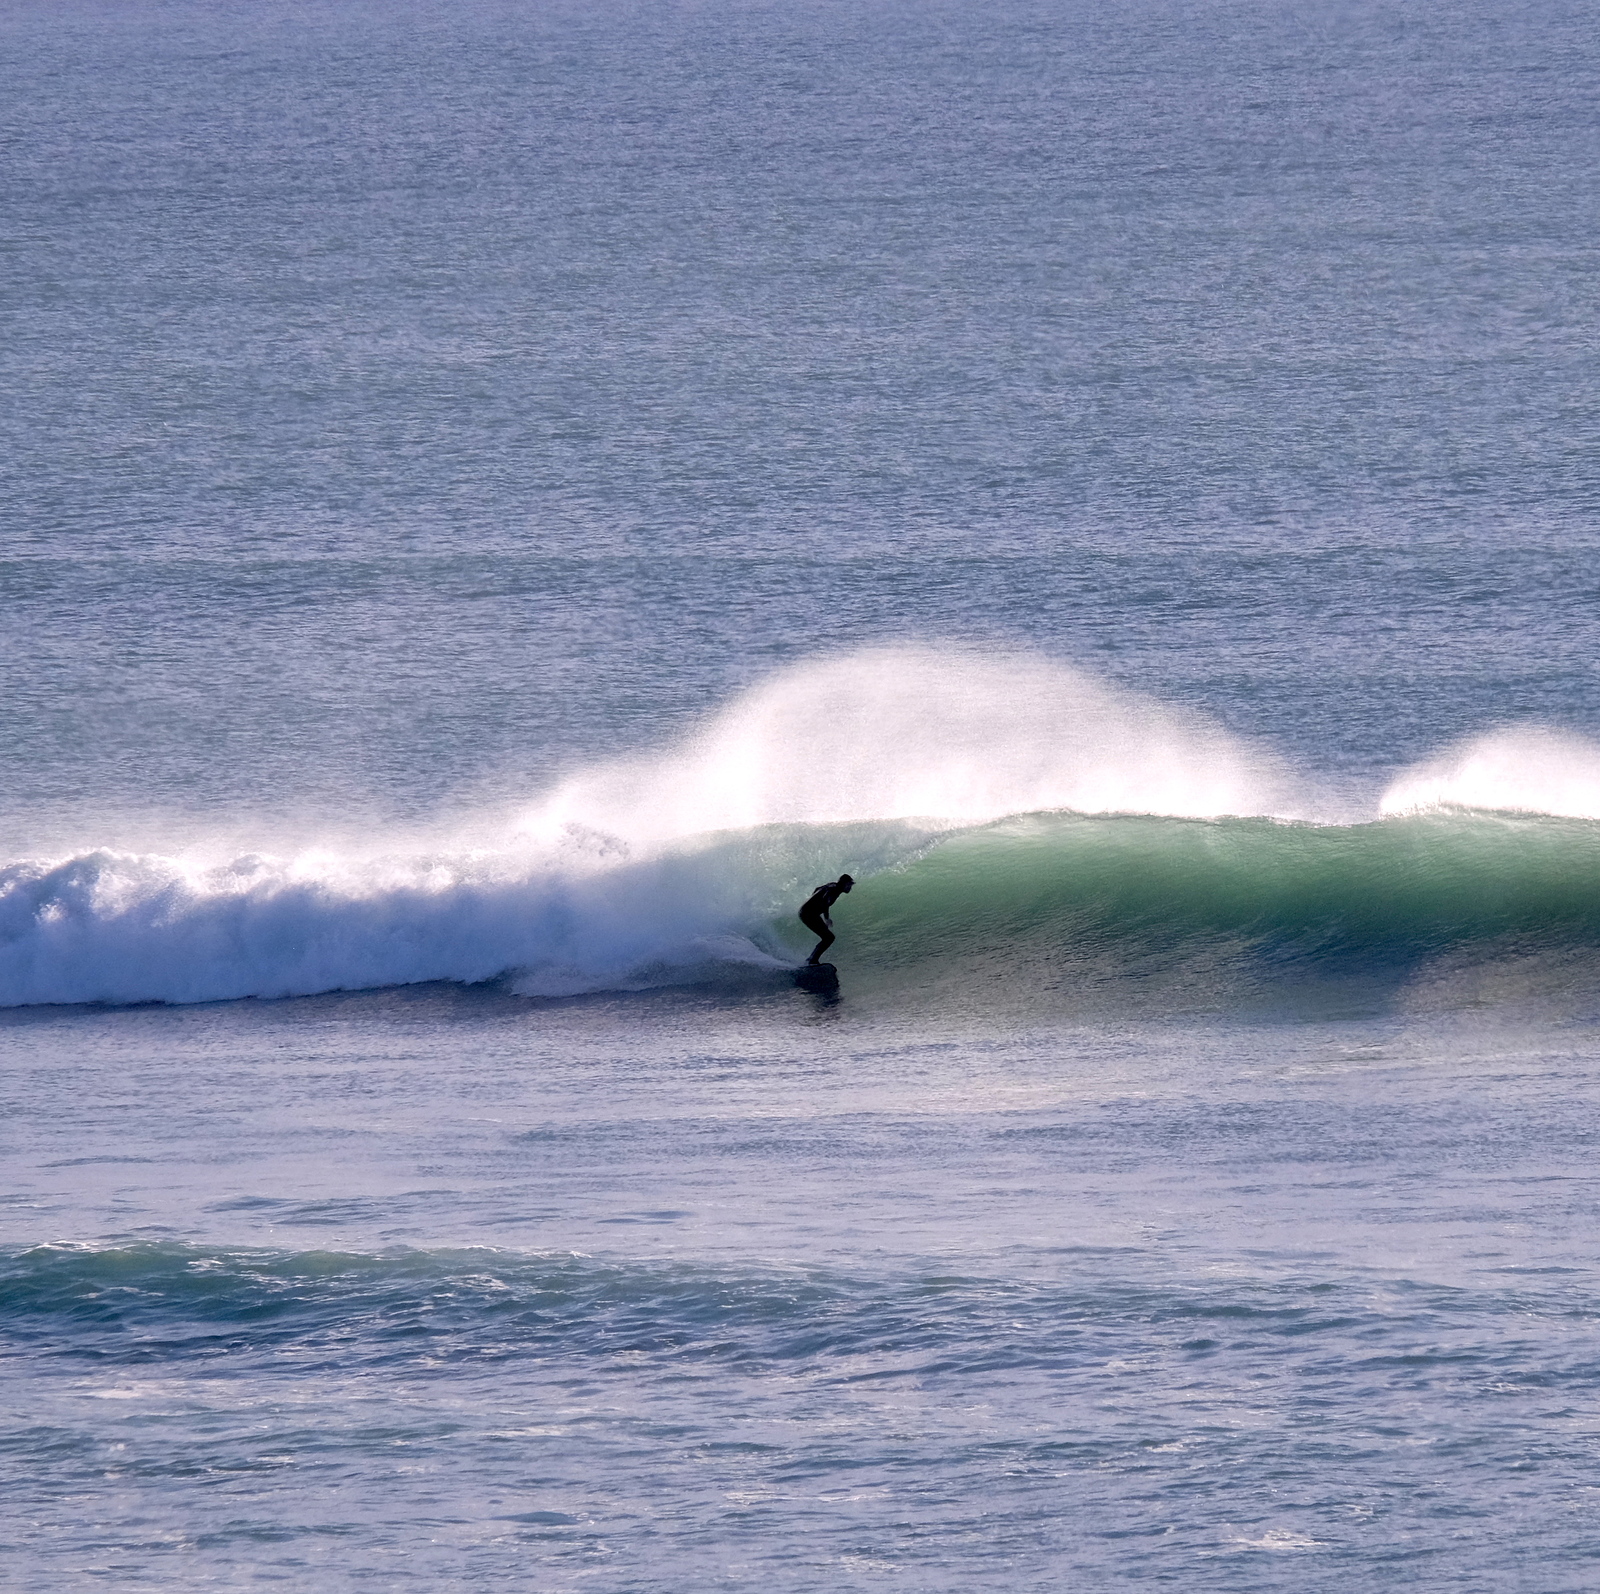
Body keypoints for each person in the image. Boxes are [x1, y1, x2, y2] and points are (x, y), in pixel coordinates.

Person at [798, 874, 854, 965]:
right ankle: (812, 960)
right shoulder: (834, 889)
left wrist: (814, 901)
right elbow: (825, 901)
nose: (850, 888)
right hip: (808, 914)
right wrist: (827, 918)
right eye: (849, 885)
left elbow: (817, 889)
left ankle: (812, 959)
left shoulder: (832, 885)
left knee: (827, 937)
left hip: (808, 913)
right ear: (844, 883)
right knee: (829, 937)